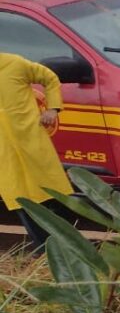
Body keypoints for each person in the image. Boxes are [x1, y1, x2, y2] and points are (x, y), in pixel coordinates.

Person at [0, 52, 70, 247]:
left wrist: (53, 108)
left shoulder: (15, 64)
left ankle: (70, 246)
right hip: (5, 151)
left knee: (52, 193)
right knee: (20, 198)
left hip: (32, 141)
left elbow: (50, 78)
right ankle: (44, 250)